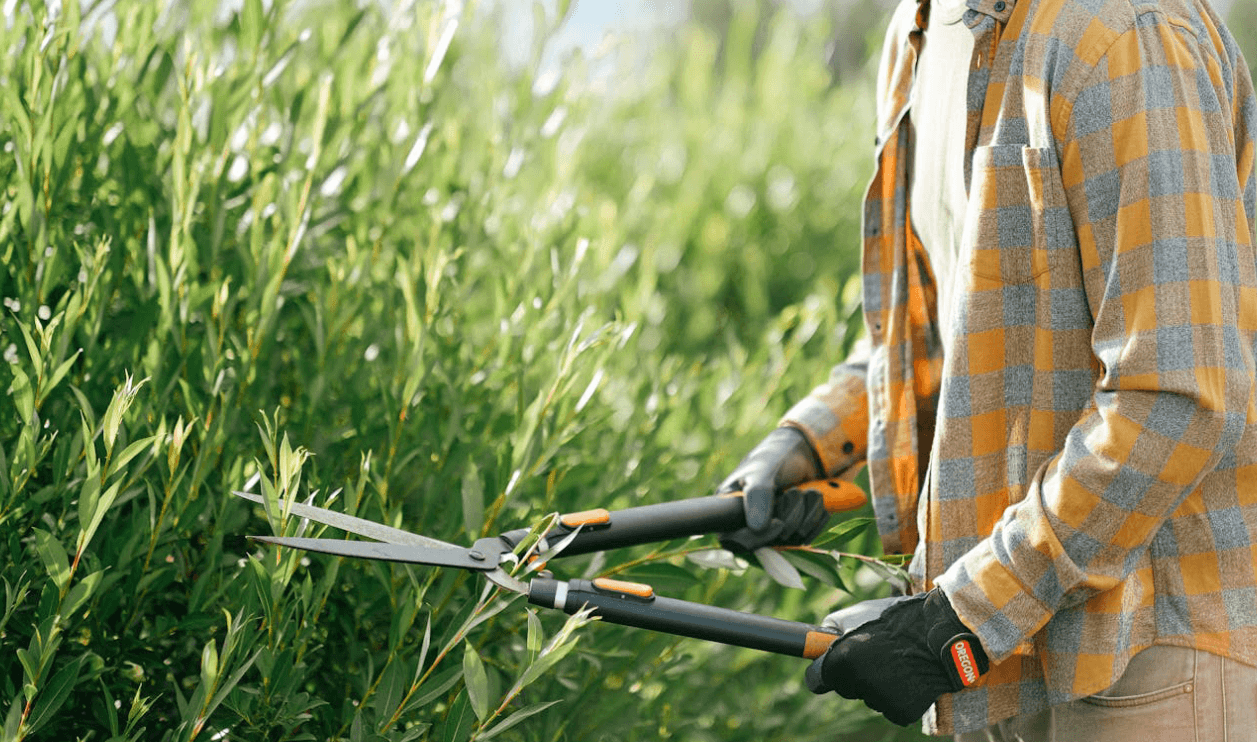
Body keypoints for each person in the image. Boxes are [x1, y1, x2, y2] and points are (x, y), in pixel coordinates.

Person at [715, 0, 1257, 736]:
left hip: (1152, 655)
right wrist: (813, 440)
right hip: (1012, 638)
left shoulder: (1125, 35)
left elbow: (1175, 395)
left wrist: (961, 618)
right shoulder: (920, 29)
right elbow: (958, 320)